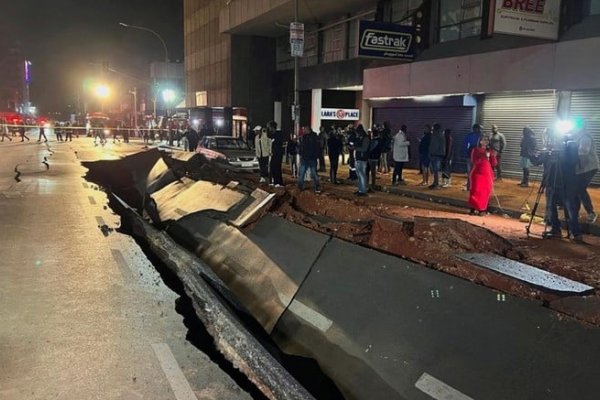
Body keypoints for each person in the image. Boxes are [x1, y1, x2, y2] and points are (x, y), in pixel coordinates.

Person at [573, 123, 599, 223]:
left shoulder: (585, 138)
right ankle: (575, 212)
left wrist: (579, 168)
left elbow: (583, 153)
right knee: (577, 188)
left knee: (580, 188)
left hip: (589, 167)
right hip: (582, 168)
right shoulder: (578, 137)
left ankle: (591, 212)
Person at [468, 136, 497, 216]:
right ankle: (473, 209)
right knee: (476, 190)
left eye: (487, 140)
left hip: (487, 174)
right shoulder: (476, 150)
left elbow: (494, 163)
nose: (486, 141)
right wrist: (484, 156)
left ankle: (482, 209)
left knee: (485, 191)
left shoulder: (490, 151)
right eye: (484, 139)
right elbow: (474, 161)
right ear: (480, 141)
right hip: (477, 173)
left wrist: (493, 156)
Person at [297, 126, 321, 193]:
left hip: (311, 158)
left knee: (314, 174)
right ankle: (300, 187)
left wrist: (316, 156)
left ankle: (317, 187)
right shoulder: (303, 137)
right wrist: (301, 154)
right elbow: (301, 147)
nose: (303, 130)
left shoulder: (314, 137)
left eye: (305, 129)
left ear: (308, 130)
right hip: (304, 158)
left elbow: (317, 148)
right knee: (301, 173)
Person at [463, 124, 482, 190]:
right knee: (470, 171)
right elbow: (465, 145)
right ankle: (469, 186)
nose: (479, 130)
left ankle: (472, 186)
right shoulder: (472, 136)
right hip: (471, 155)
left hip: (477, 156)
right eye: (478, 128)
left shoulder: (481, 136)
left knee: (473, 171)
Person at [353, 124, 371, 196]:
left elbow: (364, 149)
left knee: (362, 175)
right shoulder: (361, 138)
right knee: (359, 175)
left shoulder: (365, 138)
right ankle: (360, 190)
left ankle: (363, 191)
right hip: (358, 158)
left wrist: (355, 148)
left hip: (362, 159)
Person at [428, 123, 445, 189]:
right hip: (437, 154)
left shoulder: (437, 135)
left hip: (436, 154)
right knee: (435, 170)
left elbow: (434, 146)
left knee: (436, 170)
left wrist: (431, 152)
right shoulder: (440, 135)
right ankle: (435, 182)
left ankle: (436, 183)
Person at [268, 121, 284, 187]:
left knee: (277, 167)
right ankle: (275, 181)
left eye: (269, 127)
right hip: (273, 154)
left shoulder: (278, 134)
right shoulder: (272, 135)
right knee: (272, 167)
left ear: (272, 127)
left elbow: (279, 144)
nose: (269, 129)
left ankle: (279, 182)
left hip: (278, 154)